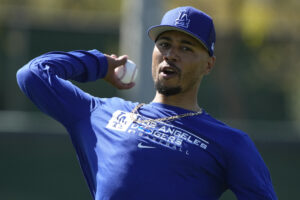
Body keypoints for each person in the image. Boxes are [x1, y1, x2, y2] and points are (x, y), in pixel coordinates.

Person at [16, 6, 277, 200]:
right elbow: (33, 75)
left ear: (209, 64)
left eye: (186, 48)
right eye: (164, 44)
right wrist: (98, 64)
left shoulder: (230, 142)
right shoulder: (101, 112)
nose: (171, 54)